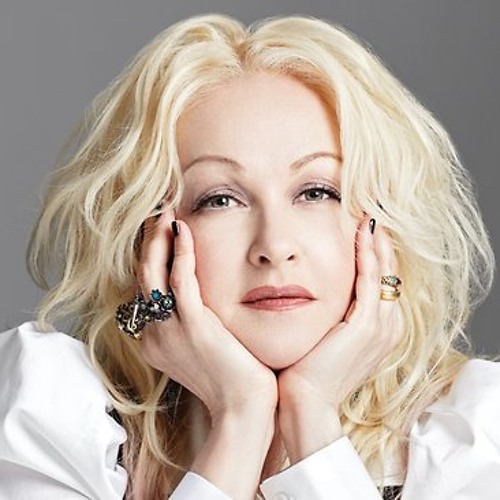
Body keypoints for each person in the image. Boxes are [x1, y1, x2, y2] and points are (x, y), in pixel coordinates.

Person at [0, 13, 498, 500]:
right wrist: (239, 416)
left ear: (383, 222)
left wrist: (312, 417)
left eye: (317, 192)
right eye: (220, 199)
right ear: (147, 237)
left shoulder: (474, 440)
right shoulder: (51, 421)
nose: (274, 247)